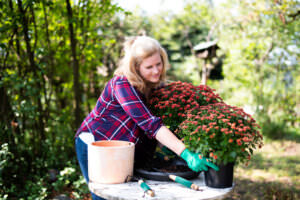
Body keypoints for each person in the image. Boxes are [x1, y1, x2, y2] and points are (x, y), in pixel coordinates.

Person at [74, 36, 219, 200]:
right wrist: (185, 153)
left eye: (159, 64)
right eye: (149, 67)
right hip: (96, 144)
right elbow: (150, 124)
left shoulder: (155, 85)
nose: (156, 71)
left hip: (124, 149)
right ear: (135, 67)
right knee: (106, 196)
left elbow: (160, 122)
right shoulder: (122, 84)